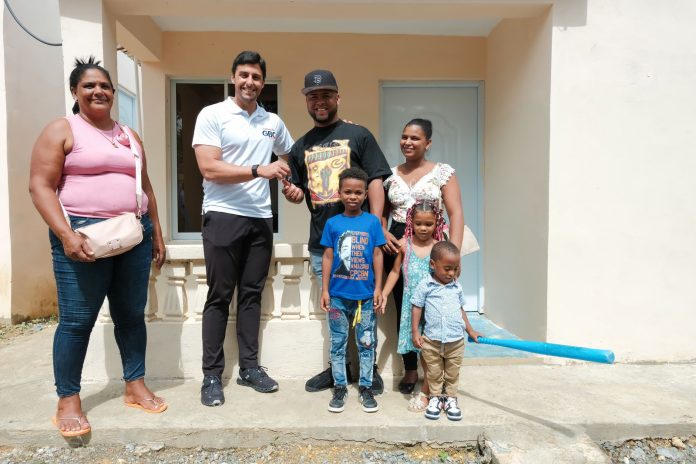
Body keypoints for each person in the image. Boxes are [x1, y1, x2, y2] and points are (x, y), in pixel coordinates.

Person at [29, 57, 167, 437]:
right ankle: (68, 400)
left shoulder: (129, 135)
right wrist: (66, 235)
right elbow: (40, 186)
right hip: (83, 237)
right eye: (89, 86)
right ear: (75, 92)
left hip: (132, 235)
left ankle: (134, 386)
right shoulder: (62, 129)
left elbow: (147, 187)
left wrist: (156, 231)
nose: (98, 91)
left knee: (130, 316)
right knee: (77, 322)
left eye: (104, 86)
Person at [192, 50, 295, 406]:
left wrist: (288, 182)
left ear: (262, 82)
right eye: (244, 75)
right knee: (219, 296)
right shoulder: (214, 115)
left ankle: (249, 368)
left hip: (260, 218)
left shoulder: (273, 121)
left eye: (256, 77)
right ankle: (210, 376)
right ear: (233, 78)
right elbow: (209, 168)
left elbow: (289, 158)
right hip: (222, 213)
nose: (249, 82)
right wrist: (258, 170)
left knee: (252, 295)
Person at [284, 69, 391, 394]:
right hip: (324, 244)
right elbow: (303, 191)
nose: (320, 101)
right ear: (306, 100)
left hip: (361, 240)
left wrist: (376, 225)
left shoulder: (358, 135)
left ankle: (367, 370)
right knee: (336, 312)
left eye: (326, 95)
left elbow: (375, 179)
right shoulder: (300, 146)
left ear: (337, 98)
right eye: (313, 96)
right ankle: (339, 370)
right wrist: (295, 194)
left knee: (364, 309)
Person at [382, 118, 465, 396]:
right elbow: (382, 212)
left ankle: (435, 370)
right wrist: (385, 234)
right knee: (406, 307)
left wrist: (454, 253)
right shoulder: (390, 174)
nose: (408, 142)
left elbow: (455, 213)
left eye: (415, 138)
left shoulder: (443, 173)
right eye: (404, 137)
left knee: (435, 308)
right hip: (399, 245)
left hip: (434, 246)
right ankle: (410, 369)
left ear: (427, 143)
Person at [319, 168, 386, 413]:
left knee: (366, 344)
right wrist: (325, 290)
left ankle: (366, 387)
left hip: (365, 298)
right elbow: (327, 256)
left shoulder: (371, 222)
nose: (353, 197)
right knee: (338, 344)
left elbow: (378, 255)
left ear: (366, 194)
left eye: (358, 192)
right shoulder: (332, 223)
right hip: (337, 297)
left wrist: (378, 287)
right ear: (339, 193)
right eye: (348, 192)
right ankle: (340, 386)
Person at [379, 200, 445, 409]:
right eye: (419, 224)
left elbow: (446, 277)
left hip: (432, 308)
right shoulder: (404, 245)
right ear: (411, 222)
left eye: (428, 224)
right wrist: (385, 293)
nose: (423, 228)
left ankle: (428, 390)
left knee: (429, 351)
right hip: (410, 306)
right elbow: (395, 272)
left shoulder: (438, 247)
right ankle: (430, 386)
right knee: (415, 347)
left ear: (437, 224)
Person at [410, 241, 482, 421]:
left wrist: (471, 330)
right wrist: (415, 333)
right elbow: (417, 307)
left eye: (455, 269)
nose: (451, 273)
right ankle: (435, 398)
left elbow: (461, 310)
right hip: (432, 340)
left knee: (452, 372)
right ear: (433, 265)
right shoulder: (425, 286)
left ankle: (450, 399)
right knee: (433, 372)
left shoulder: (457, 286)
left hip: (455, 341)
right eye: (447, 268)